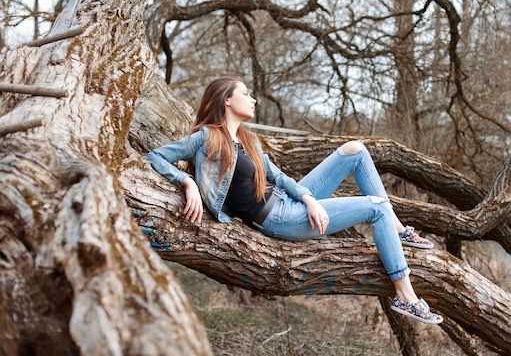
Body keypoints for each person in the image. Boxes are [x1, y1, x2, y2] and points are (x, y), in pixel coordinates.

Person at [145, 76, 443, 324]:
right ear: (226, 99)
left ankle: (399, 231)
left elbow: (280, 177)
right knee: (375, 207)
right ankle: (406, 297)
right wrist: (188, 182)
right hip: (279, 218)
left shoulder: (248, 141)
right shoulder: (207, 137)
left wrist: (309, 198)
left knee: (355, 149)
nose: (253, 99)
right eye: (246, 94)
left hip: (291, 201)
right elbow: (155, 157)